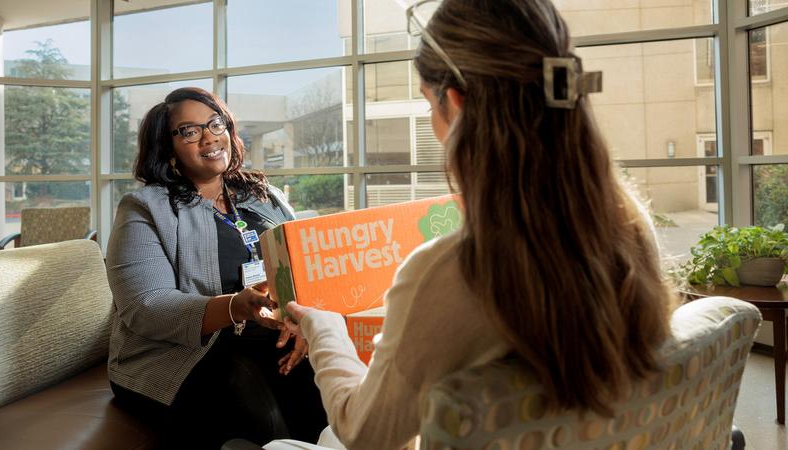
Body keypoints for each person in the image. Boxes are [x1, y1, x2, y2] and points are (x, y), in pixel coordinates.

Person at [277, 0, 677, 449]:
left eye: (429, 104)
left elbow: (367, 432)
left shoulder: (454, 268)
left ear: (456, 101)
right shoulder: (629, 225)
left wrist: (325, 327)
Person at [106, 87, 327, 448]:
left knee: (329, 387)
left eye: (215, 123)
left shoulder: (263, 194)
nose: (209, 137)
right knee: (261, 409)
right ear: (168, 146)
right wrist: (233, 306)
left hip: (266, 336)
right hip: (178, 353)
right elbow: (145, 307)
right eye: (190, 131)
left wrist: (306, 322)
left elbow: (302, 264)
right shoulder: (144, 208)